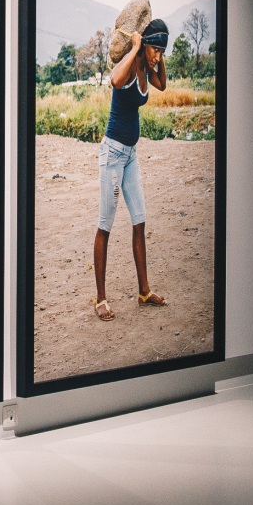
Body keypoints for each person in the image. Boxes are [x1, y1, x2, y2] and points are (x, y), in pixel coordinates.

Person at [93, 17, 170, 321]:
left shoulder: (147, 69)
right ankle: (100, 298)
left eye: (161, 52)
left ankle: (144, 291)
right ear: (143, 46)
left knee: (139, 221)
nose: (157, 56)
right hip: (112, 154)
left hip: (131, 156)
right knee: (105, 225)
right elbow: (113, 80)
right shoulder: (128, 67)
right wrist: (137, 46)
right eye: (155, 50)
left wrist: (156, 56)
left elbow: (162, 84)